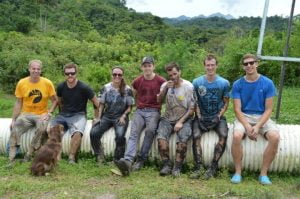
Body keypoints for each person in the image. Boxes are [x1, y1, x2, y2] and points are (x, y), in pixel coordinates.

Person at [230, 53, 280, 185]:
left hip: (262, 116)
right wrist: (247, 126)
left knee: (275, 137)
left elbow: (269, 109)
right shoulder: (237, 84)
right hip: (244, 116)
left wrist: (257, 127)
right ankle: (237, 172)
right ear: (243, 67)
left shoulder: (268, 83)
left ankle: (263, 174)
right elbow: (237, 109)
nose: (249, 66)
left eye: (252, 63)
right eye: (246, 64)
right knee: (236, 135)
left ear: (257, 63)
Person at [115, 56, 166, 176]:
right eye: (145, 66)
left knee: (150, 131)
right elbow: (133, 93)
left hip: (154, 111)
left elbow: (164, 97)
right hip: (140, 110)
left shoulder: (161, 81)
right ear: (142, 67)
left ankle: (141, 160)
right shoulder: (138, 81)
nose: (147, 68)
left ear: (153, 66)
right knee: (133, 133)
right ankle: (127, 161)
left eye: (149, 65)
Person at [8, 60, 57, 164]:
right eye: (33, 68)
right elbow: (18, 103)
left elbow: (55, 101)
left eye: (38, 69)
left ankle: (29, 154)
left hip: (41, 114)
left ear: (41, 70)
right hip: (26, 114)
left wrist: (49, 113)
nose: (36, 71)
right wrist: (13, 120)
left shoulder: (47, 83)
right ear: (29, 69)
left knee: (42, 129)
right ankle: (11, 158)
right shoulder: (22, 83)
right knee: (15, 127)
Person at [190, 54, 230, 179]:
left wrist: (218, 116)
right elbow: (195, 101)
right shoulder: (196, 82)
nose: (210, 67)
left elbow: (226, 102)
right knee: (195, 136)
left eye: (212, 65)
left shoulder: (224, 83)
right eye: (208, 65)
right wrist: (199, 116)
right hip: (201, 116)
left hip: (217, 116)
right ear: (204, 66)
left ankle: (213, 167)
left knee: (223, 135)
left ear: (216, 66)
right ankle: (198, 167)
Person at [50, 63, 99, 164]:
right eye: (67, 73)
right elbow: (59, 101)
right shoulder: (61, 86)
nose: (70, 75)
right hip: (63, 115)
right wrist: (59, 116)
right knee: (52, 130)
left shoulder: (84, 87)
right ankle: (56, 156)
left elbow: (96, 102)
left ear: (76, 73)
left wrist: (96, 117)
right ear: (64, 74)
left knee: (77, 133)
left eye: (72, 73)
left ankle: (71, 157)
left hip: (78, 115)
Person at [157, 62, 195, 177]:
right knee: (161, 139)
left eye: (174, 74)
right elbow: (159, 101)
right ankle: (166, 165)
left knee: (182, 141)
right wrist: (165, 89)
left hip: (184, 118)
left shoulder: (188, 86)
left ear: (179, 72)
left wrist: (180, 122)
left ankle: (177, 168)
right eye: (170, 75)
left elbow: (192, 109)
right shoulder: (165, 85)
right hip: (168, 118)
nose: (173, 77)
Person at [90, 66, 134, 164]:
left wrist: (123, 116)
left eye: (119, 75)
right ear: (111, 75)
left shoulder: (127, 89)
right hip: (107, 115)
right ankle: (100, 155)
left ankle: (118, 159)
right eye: (115, 74)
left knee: (120, 136)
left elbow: (130, 107)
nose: (117, 76)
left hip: (120, 116)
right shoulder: (105, 88)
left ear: (122, 76)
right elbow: (101, 104)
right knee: (94, 133)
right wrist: (98, 118)